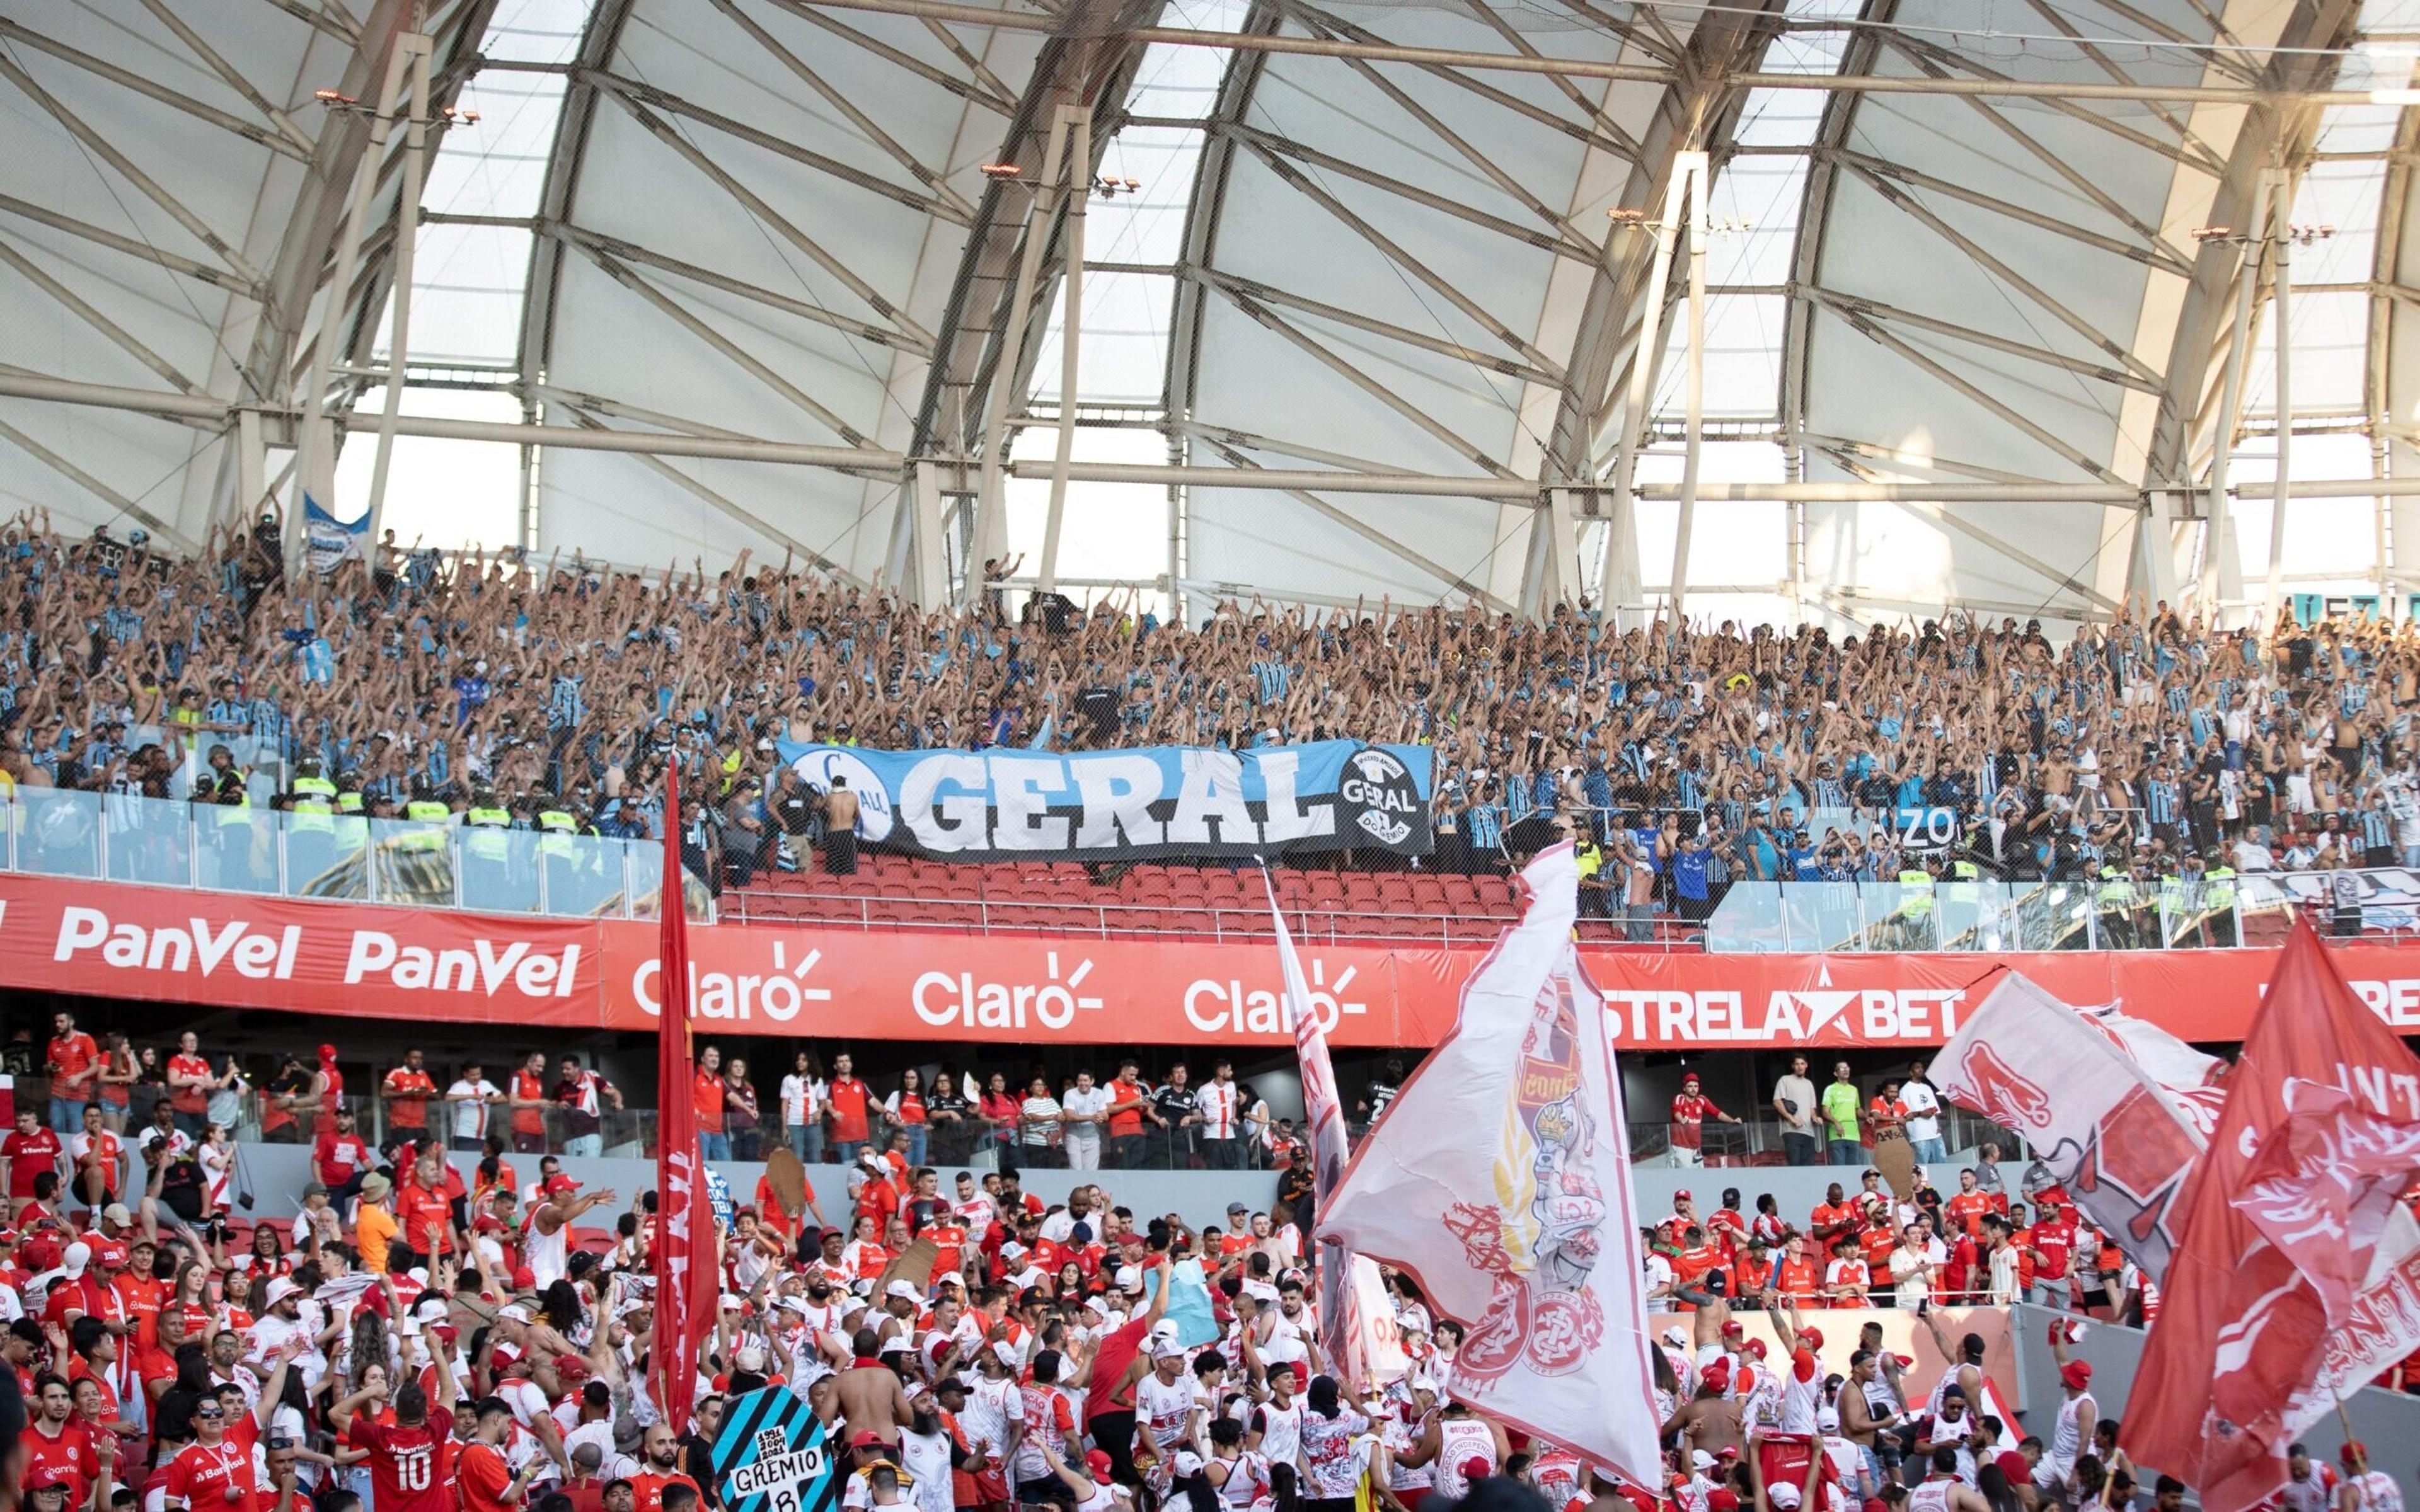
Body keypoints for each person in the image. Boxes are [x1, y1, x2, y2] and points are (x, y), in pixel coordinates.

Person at [1668, 1074, 1740, 1168]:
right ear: (1684, 1088)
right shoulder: (1679, 1099)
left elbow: (1717, 1113)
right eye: (1690, 1086)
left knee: (1699, 1177)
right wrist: (1681, 1120)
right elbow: (1676, 1112)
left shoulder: (1702, 1100)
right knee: (1685, 1178)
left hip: (1696, 1148)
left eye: (1696, 1086)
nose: (1693, 1089)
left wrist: (1732, 1121)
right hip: (1681, 1147)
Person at [1772, 1054, 1818, 1167]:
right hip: (1791, 1131)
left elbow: (1812, 1107)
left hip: (1809, 1131)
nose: (1800, 1067)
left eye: (1802, 1064)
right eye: (1797, 1064)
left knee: (1809, 1167)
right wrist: (1791, 1118)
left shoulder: (1809, 1084)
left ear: (1806, 1065)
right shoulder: (1785, 1080)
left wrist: (1815, 1118)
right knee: (1795, 1166)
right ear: (1793, 1066)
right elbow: (1777, 1101)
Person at [1901, 1060, 1948, 1166]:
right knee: (1922, 1168)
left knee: (1942, 1164)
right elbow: (1903, 1115)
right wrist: (1920, 1113)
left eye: (1922, 1067)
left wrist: (1938, 1124)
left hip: (1935, 1133)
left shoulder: (1927, 1088)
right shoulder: (1905, 1090)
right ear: (1911, 1072)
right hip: (1919, 1135)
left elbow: (1936, 1109)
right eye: (1917, 1067)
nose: (1920, 1069)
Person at [1822, 1062, 1864, 1166]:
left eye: (1847, 1068)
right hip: (1837, 1135)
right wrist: (1836, 1123)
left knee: (1854, 1169)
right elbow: (1825, 1112)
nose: (1846, 1070)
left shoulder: (1854, 1089)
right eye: (1842, 1068)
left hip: (1854, 1134)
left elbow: (1858, 1109)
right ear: (1836, 1073)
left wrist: (1868, 1118)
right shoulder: (1830, 1089)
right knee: (1839, 1168)